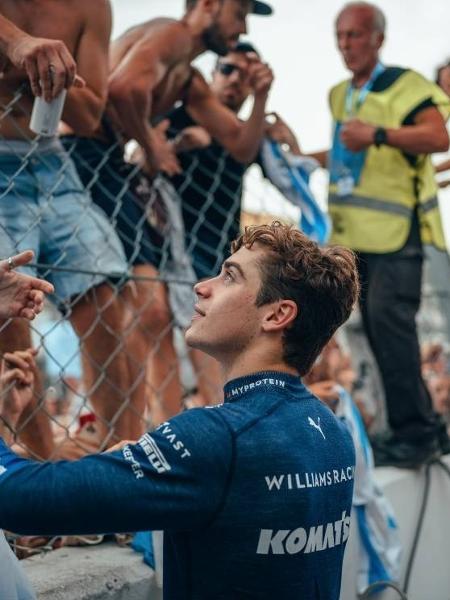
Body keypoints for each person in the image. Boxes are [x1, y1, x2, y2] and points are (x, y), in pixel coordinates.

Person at [0, 222, 358, 600]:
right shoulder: (332, 433)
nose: (202, 287)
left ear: (276, 315)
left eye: (230, 278)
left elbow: (19, 500)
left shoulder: (217, 438)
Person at [63, 0, 274, 429]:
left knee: (154, 310)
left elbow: (240, 145)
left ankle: (160, 426)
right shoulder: (173, 34)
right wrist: (152, 143)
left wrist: (263, 96)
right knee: (131, 307)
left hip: (105, 161)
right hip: (81, 153)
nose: (242, 25)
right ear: (210, 5)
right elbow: (123, 88)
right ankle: (130, 427)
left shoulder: (188, 78)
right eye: (238, 12)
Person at [320, 1, 450, 467]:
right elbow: (341, 152)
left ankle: (416, 434)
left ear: (378, 37)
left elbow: (439, 137)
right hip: (356, 236)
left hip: (398, 232)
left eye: (355, 35)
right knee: (377, 331)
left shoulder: (404, 85)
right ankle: (416, 427)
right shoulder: (339, 94)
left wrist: (377, 135)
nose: (346, 45)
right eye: (340, 36)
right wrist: (296, 153)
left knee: (392, 328)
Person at [0, 1, 130, 457]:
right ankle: (39, 476)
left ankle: (122, 470)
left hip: (52, 160)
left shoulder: (91, 6)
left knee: (106, 297)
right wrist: (20, 45)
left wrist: (34, 72)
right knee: (12, 310)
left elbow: (91, 115)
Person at [166, 40, 303, 406]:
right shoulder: (179, 116)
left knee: (216, 340)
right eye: (228, 69)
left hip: (223, 251)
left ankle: (219, 418)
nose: (235, 81)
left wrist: (292, 146)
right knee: (168, 343)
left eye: (245, 76)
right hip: (169, 244)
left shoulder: (248, 132)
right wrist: (179, 144)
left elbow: (293, 177)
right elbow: (138, 160)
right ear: (210, 75)